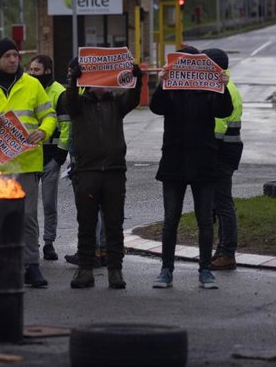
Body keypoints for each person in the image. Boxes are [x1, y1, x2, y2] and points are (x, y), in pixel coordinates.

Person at [0, 38, 57, 288]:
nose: (13, 60)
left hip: (26, 162)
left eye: (16, 55)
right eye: (7, 56)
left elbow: (49, 115)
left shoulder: (31, 84)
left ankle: (31, 266)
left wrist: (43, 131)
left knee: (27, 217)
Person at [150, 46, 233, 290]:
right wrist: (163, 83)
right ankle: (166, 270)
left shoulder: (207, 87)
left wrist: (222, 86)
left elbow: (223, 111)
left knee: (205, 220)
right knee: (170, 219)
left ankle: (205, 270)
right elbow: (156, 107)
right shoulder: (171, 90)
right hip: (174, 160)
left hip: (204, 161)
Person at [63, 58, 142, 289]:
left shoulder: (116, 104)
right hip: (87, 171)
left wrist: (135, 79)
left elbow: (133, 98)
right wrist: (73, 81)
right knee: (86, 224)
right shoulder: (79, 105)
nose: (104, 84)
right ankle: (85, 270)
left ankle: (115, 271)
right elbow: (69, 102)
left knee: (114, 224)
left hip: (114, 172)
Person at [201, 49, 244, 271]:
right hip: (228, 150)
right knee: (220, 203)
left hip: (220, 153)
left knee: (223, 203)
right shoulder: (227, 85)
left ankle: (227, 252)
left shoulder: (222, 88)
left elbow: (217, 128)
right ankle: (222, 251)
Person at [27, 55, 70, 261]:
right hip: (29, 155)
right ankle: (32, 241)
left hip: (51, 156)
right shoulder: (28, 89)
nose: (32, 73)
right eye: (30, 69)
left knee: (49, 204)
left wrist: (61, 153)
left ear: (47, 71)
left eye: (36, 70)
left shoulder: (59, 93)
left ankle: (49, 243)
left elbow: (66, 126)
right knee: (30, 206)